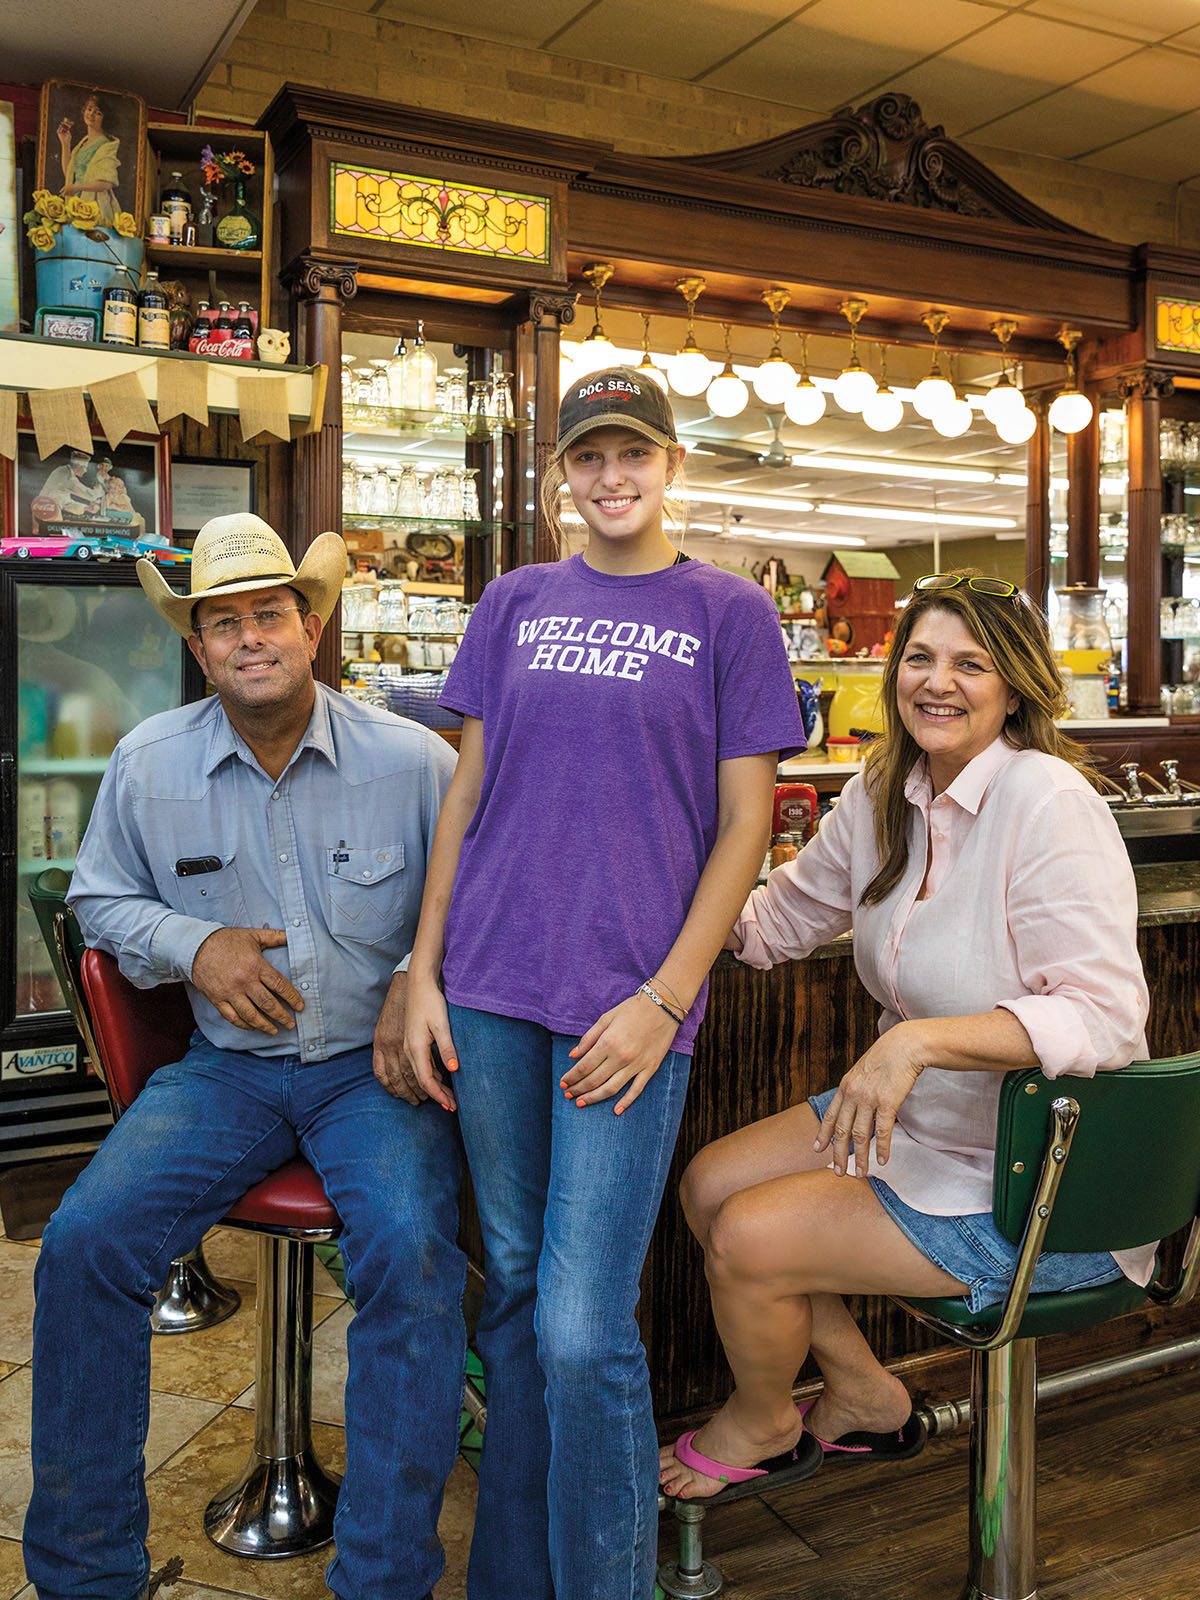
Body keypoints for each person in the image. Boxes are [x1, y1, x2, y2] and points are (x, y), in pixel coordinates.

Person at [403, 367, 806, 1600]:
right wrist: (421, 972)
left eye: (634, 454)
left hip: (629, 1007)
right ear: (560, 476)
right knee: (517, 1297)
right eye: (589, 458)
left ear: (671, 465)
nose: (611, 477)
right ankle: (513, 1580)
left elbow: (747, 824)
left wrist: (665, 995)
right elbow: (465, 796)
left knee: (586, 1327)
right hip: (489, 987)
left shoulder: (729, 611)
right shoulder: (514, 600)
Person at [24, 513, 463, 1600]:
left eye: (270, 613)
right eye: (224, 623)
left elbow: (479, 900)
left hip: (375, 1074)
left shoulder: (413, 760)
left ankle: (385, 1576)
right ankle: (87, 1577)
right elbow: (98, 898)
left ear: (310, 628)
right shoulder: (148, 760)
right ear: (200, 646)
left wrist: (418, 969)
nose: (250, 637)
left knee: (411, 1255)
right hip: (228, 1070)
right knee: (82, 1245)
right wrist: (196, 944)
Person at [659, 571, 1153, 1500]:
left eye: (971, 664)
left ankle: (764, 1420)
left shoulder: (1047, 799)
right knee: (709, 1184)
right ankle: (860, 1391)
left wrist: (915, 1043)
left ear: (1015, 685)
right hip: (920, 1131)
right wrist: (650, 868)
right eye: (920, 658)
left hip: (1039, 1177)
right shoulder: (891, 786)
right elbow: (772, 925)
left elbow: (1103, 1017)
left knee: (749, 1238)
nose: (939, 682)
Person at [56, 91, 120, 224]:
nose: (91, 114)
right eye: (89, 109)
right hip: (77, 203)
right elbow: (69, 173)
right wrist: (65, 143)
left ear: (104, 118)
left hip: (96, 206)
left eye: (97, 112)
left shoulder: (106, 145)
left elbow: (106, 183)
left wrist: (75, 188)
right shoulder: (83, 143)